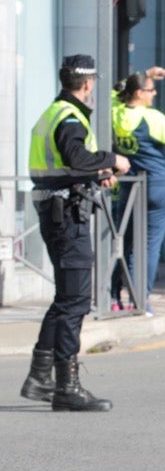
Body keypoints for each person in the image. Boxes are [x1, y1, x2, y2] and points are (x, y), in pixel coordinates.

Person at [21, 54, 130, 411]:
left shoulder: (52, 112)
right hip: (67, 215)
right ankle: (67, 387)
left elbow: (62, 167)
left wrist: (94, 174)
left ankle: (39, 379)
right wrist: (110, 160)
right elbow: (75, 157)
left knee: (65, 298)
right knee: (75, 301)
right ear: (87, 83)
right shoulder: (70, 117)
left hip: (56, 209)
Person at [110, 69, 165, 311]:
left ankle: (114, 298)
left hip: (129, 184)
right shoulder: (151, 117)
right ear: (138, 93)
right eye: (150, 89)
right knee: (149, 245)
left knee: (124, 242)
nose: (154, 93)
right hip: (157, 184)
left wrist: (144, 73)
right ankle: (142, 300)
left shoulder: (116, 113)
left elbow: (114, 93)